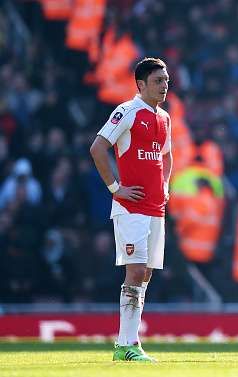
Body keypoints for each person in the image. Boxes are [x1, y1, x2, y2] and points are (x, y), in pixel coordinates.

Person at [89, 57, 172, 362]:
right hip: (131, 207)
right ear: (141, 84)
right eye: (158, 81)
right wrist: (115, 188)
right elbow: (97, 148)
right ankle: (125, 345)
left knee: (146, 273)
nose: (164, 86)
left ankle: (132, 343)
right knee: (135, 270)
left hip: (155, 209)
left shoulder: (164, 117)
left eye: (166, 80)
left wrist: (165, 186)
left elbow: (167, 156)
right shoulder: (127, 111)